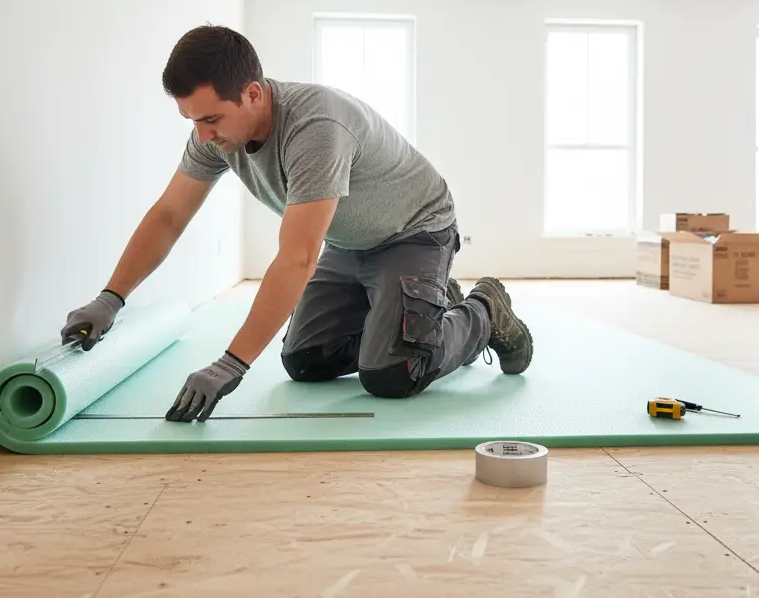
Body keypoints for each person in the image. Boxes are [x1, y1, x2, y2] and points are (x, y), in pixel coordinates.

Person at [59, 25, 533, 422]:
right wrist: (110, 298)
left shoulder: (316, 129)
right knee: (304, 360)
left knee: (394, 373)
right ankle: (423, 312)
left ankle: (484, 310)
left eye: (211, 119)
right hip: (350, 244)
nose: (202, 136)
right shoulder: (212, 136)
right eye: (191, 120)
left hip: (414, 232)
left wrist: (231, 364)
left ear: (252, 93)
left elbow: (298, 257)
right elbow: (168, 215)